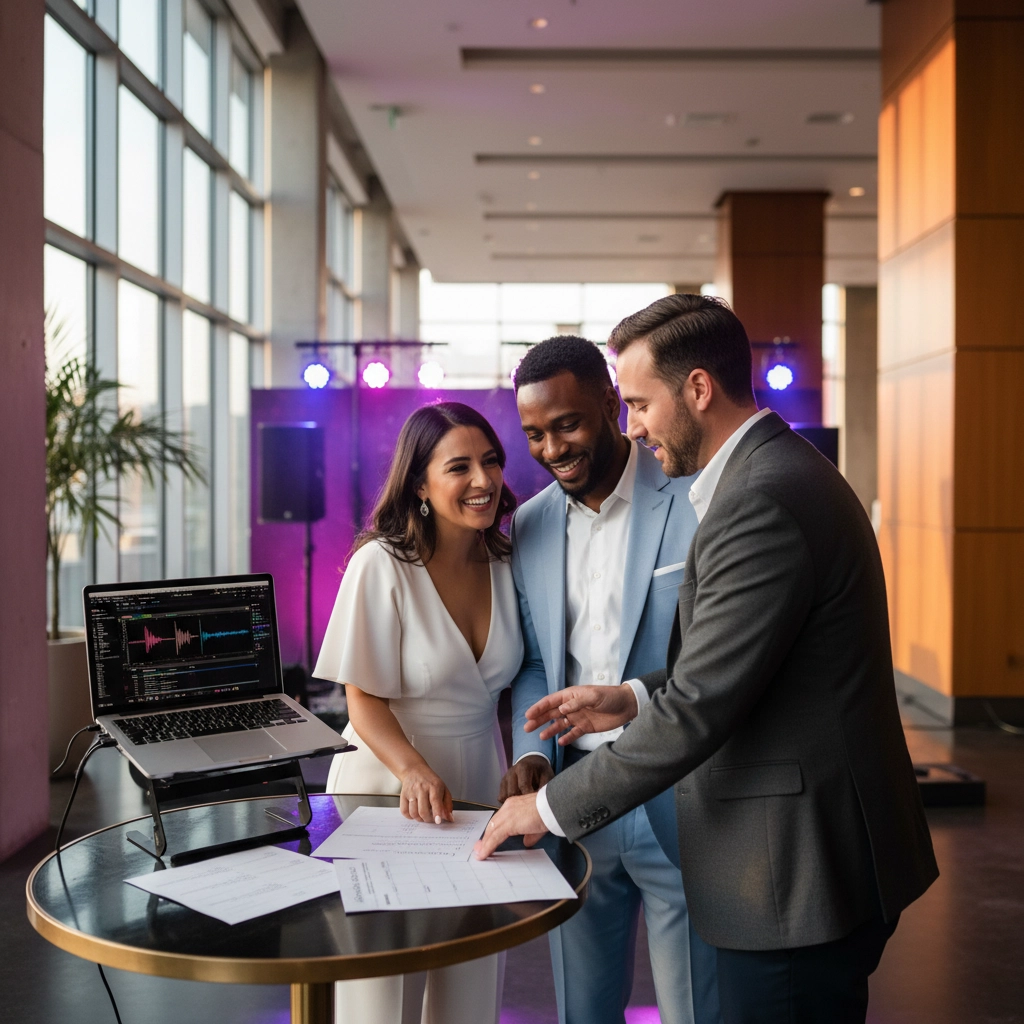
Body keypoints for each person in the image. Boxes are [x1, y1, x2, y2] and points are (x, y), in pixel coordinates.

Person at [476, 294, 939, 1024]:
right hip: (805, 856)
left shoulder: (756, 499)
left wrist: (545, 806)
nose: (632, 426)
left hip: (792, 866)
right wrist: (630, 696)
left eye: (637, 404)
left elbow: (702, 705)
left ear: (696, 389)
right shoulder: (779, 473)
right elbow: (743, 660)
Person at [501, 335, 719, 1024]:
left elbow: (712, 658)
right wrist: (533, 753)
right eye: (534, 434)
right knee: (582, 1012)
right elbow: (537, 658)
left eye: (566, 424)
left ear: (609, 402)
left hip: (677, 795)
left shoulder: (693, 501)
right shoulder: (529, 525)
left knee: (695, 1009)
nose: (552, 448)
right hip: (575, 804)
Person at [313, 402, 524, 1024]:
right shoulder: (382, 564)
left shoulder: (510, 563)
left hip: (481, 782)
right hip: (386, 782)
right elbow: (363, 700)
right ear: (419, 484)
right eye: (459, 466)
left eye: (491, 461)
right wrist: (411, 769)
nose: (482, 480)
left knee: (471, 978)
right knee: (381, 993)